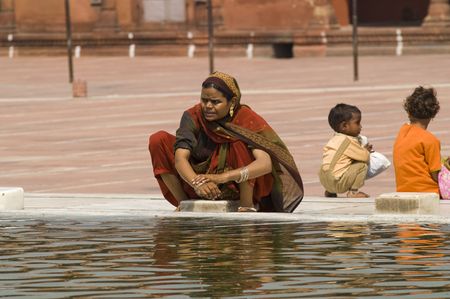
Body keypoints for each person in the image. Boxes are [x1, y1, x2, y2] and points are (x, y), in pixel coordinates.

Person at [148, 71, 303, 212]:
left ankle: (247, 205)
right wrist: (198, 183)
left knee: (237, 142)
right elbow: (180, 158)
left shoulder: (245, 118)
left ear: (232, 102)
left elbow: (266, 163)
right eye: (204, 100)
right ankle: (184, 203)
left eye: (215, 102)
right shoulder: (193, 116)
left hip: (234, 184)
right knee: (158, 139)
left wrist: (223, 177)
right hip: (198, 184)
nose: (208, 106)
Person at [393, 86, 444, 195]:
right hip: (428, 192)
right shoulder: (430, 140)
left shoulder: (402, 132)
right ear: (433, 114)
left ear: (409, 113)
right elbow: (436, 175)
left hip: (403, 191)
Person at [318, 103, 372, 198]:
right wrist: (366, 150)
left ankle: (330, 191)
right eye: (357, 123)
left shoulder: (334, 139)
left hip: (324, 180)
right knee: (361, 165)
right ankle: (353, 192)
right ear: (344, 126)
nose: (361, 127)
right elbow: (365, 157)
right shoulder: (348, 141)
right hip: (337, 182)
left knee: (335, 164)